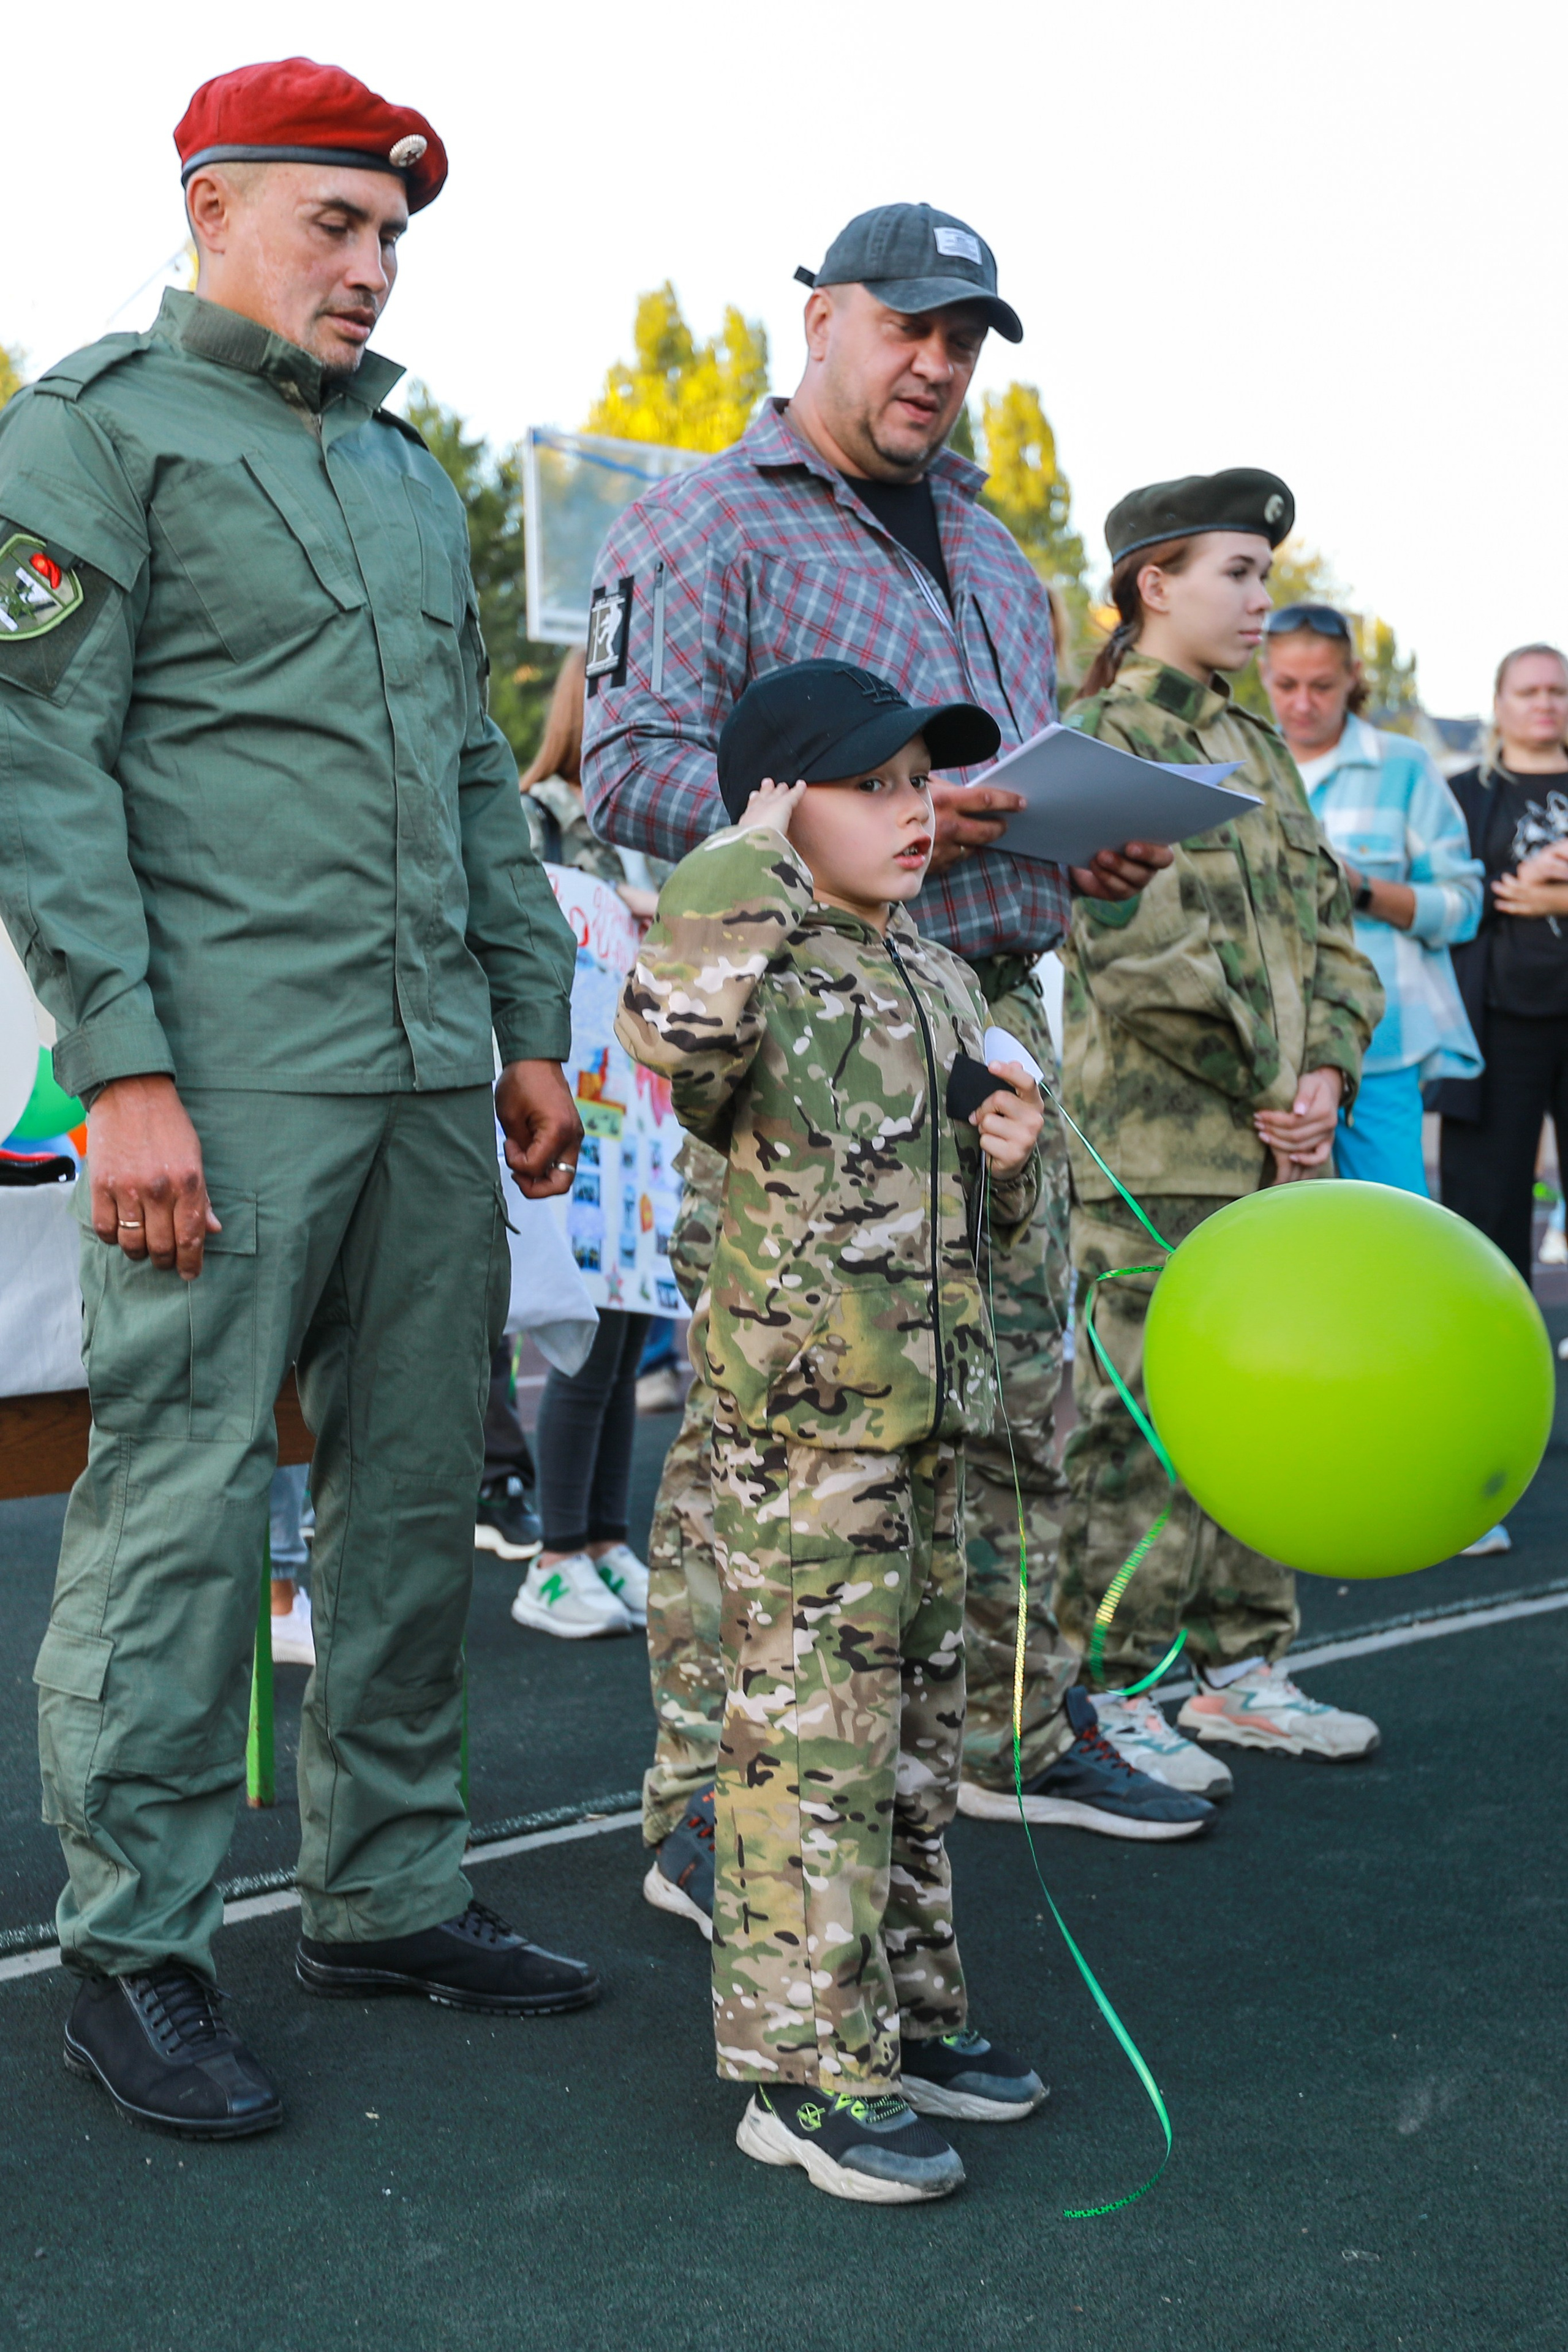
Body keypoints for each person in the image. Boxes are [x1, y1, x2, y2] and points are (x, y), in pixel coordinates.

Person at [0, 57, 600, 2142]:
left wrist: (528, 1026)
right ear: (214, 212)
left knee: (417, 1491)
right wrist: (126, 1071)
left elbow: (467, 771)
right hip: (224, 1076)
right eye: (334, 226)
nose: (371, 269)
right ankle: (139, 1950)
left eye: (391, 237)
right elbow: (39, 766)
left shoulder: (411, 474)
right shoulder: (95, 435)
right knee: (179, 1506)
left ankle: (387, 1890)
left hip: (433, 1065)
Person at [584, 200, 1200, 1890]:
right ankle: (713, 1803)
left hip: (990, 1021)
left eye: (967, 340)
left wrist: (1078, 838)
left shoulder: (997, 554)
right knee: (782, 1449)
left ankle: (1001, 1726)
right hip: (808, 1053)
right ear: (822, 321)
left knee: (1007, 1407)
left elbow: (1017, 795)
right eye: (911, 328)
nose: (939, 366)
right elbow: (628, 773)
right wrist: (891, 819)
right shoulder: (703, 523)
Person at [616, 659, 1052, 2203]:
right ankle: (800, 2072)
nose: (913, 809)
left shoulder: (929, 970)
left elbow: (972, 1224)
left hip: (919, 1429)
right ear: (784, 803)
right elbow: (675, 1045)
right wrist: (739, 853)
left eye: (920, 782)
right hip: (805, 1443)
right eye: (870, 785)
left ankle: (907, 2018)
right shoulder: (752, 945)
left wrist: (1006, 1159)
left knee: (912, 1751)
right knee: (809, 1755)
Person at [1052, 472, 1387, 1787]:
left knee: (1262, 1411)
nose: (1260, 600)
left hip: (1277, 1151)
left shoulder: (1253, 749)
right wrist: (1271, 1082)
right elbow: (1136, 959)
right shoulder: (1100, 744)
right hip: (1153, 1159)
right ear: (1153, 585)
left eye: (1261, 574)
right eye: (1235, 574)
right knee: (1137, 1423)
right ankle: (1119, 1684)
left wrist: (1326, 1086)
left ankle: (1238, 1667)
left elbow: (1329, 942)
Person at [504, 649, 666, 1634]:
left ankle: (605, 1537)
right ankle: (556, 1556)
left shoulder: (651, 827)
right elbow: (517, 926)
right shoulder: (534, 811)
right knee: (582, 1325)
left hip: (645, 1108)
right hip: (573, 1094)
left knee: (627, 1327)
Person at [1261, 605, 1482, 1192]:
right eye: (1286, 685)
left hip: (1378, 1051)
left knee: (1392, 1230)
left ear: (1354, 676)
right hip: (1265, 1046)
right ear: (1262, 674)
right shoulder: (1244, 768)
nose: (1302, 703)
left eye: (1322, 686)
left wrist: (1359, 887)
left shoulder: (1405, 767)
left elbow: (1463, 908)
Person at [1435, 643, 1568, 1553]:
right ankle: (1491, 1432)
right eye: (1529, 690)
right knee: (1486, 1229)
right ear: (1499, 703)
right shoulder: (1460, 790)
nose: (1545, 704)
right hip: (1499, 1030)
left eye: (1559, 690)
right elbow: (1443, 889)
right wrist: (1517, 887)